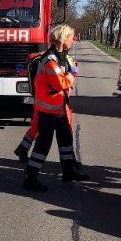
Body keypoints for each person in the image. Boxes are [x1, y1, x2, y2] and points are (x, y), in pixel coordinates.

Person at [23, 24, 89, 191]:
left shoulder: (61, 56)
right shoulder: (50, 59)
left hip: (59, 109)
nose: (73, 41)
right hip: (48, 111)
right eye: (71, 37)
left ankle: (69, 172)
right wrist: (72, 73)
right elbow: (60, 83)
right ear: (62, 38)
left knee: (66, 142)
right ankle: (30, 178)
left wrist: (70, 69)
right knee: (42, 146)